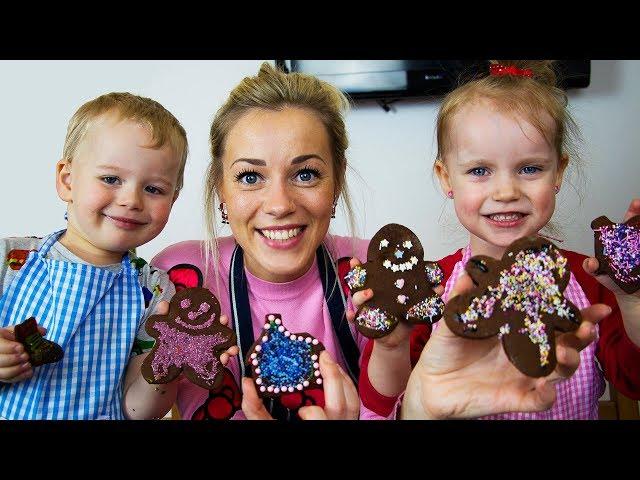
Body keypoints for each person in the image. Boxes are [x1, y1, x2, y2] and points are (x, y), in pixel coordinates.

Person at [355, 60, 640, 419]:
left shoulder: (589, 279)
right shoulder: (432, 290)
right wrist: (391, 347)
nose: (506, 191)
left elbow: (633, 380)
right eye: (479, 171)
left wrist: (632, 303)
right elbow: (385, 403)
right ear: (446, 178)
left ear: (558, 172)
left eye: (530, 168)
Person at [123, 62, 378, 420]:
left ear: (336, 180)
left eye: (305, 174)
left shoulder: (371, 271)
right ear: (220, 189)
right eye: (249, 176)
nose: (279, 205)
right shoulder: (180, 278)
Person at [0, 92, 189, 419]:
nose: (131, 199)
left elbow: (138, 409)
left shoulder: (156, 292)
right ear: (67, 180)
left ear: (172, 200)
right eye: (111, 179)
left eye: (154, 189)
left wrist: (168, 360)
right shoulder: (10, 259)